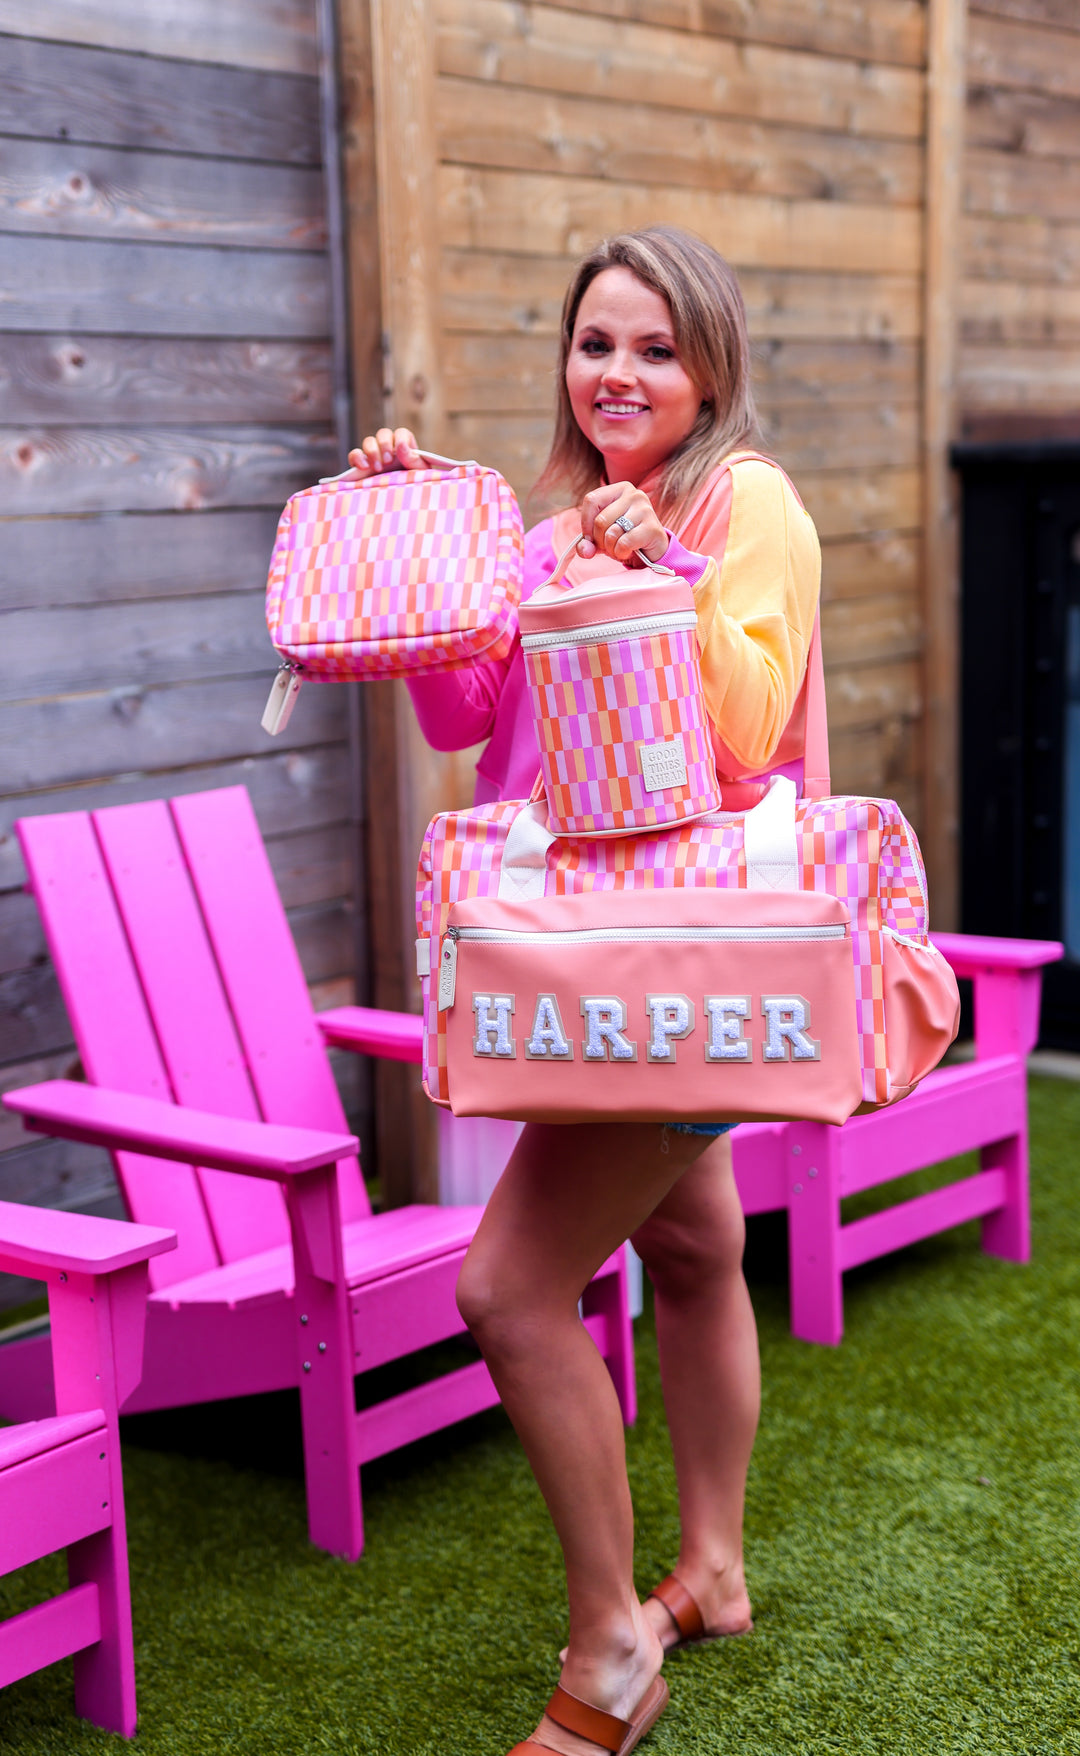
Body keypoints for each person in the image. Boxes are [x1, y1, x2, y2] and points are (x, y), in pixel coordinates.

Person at [350, 227, 820, 1756]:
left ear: (712, 370)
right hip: (592, 964)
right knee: (692, 1247)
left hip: (675, 959)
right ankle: (715, 1573)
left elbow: (745, 733)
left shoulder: (748, 505)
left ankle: (615, 1648)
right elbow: (461, 716)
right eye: (596, 343)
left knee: (506, 1289)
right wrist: (418, 542)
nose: (618, 372)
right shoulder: (544, 533)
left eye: (655, 348)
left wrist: (658, 563)